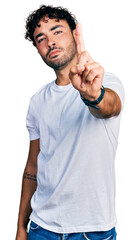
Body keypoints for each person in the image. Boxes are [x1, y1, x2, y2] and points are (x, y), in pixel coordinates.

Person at [16, 5, 124, 240]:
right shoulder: (37, 101)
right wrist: (21, 227)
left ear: (75, 34)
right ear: (38, 50)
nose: (50, 42)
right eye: (41, 38)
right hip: (41, 228)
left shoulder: (107, 82)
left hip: (92, 230)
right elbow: (33, 167)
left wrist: (92, 95)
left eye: (57, 31)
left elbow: (109, 107)